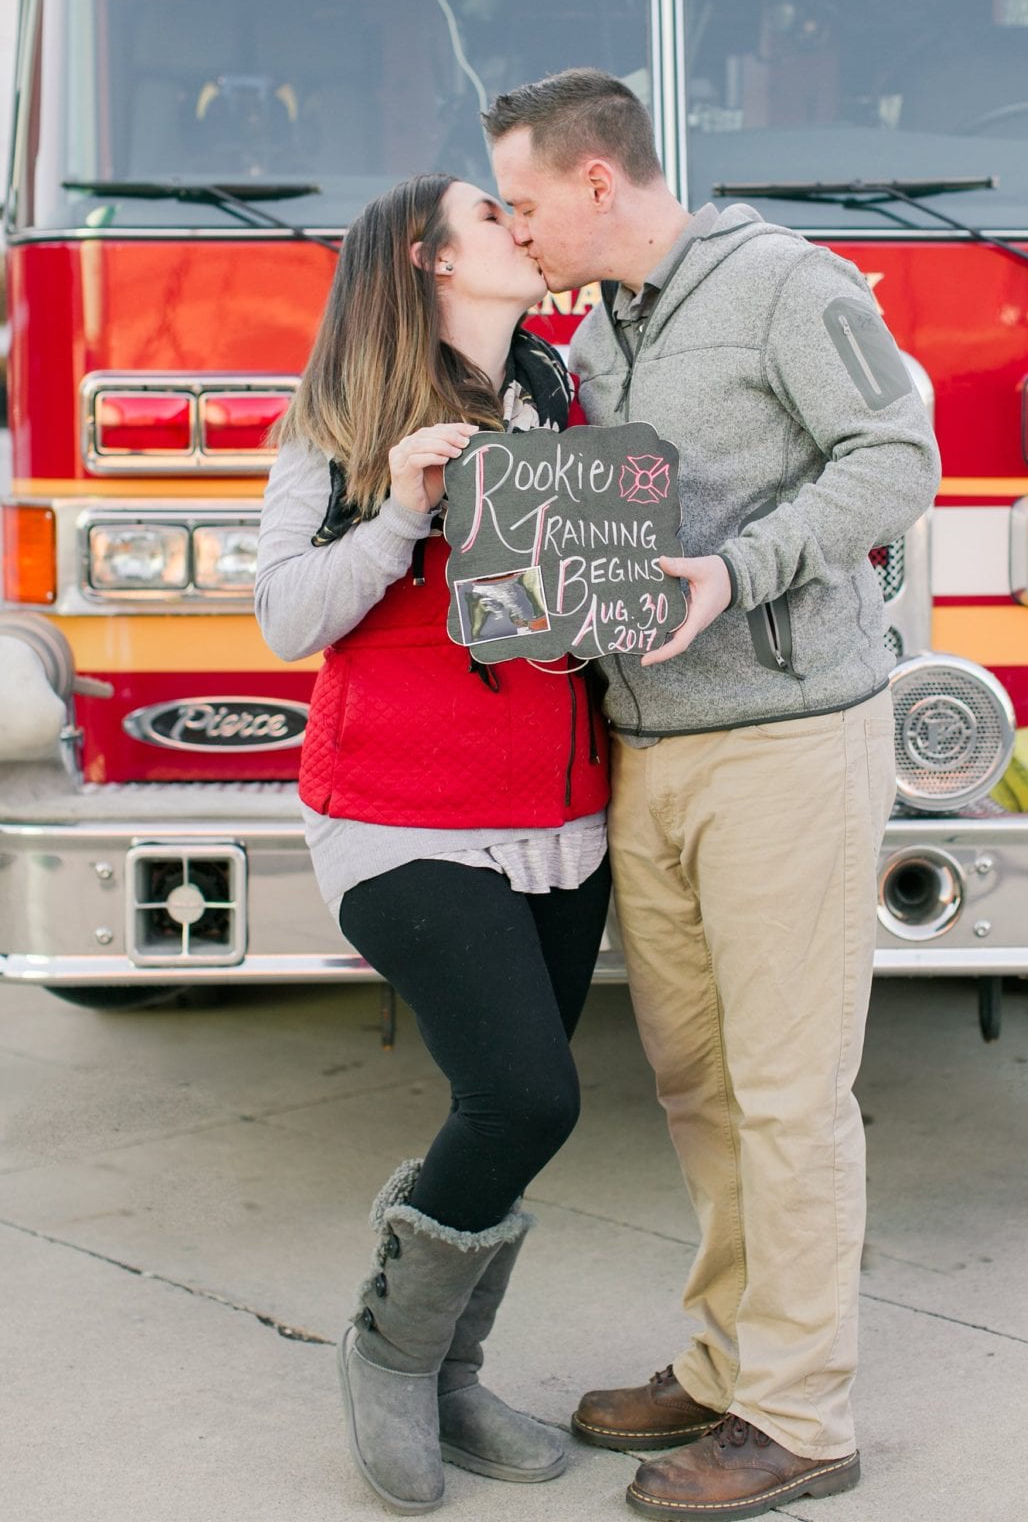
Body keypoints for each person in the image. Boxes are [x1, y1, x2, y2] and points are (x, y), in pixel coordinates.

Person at [486, 70, 942, 1519]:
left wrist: (737, 572)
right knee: (697, 1085)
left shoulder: (784, 286)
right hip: (655, 751)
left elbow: (899, 458)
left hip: (789, 746)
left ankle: (800, 1418)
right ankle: (728, 1359)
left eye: (525, 200)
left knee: (790, 1095)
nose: (516, 227)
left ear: (599, 182)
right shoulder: (598, 334)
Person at [254, 174, 610, 1513]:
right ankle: (390, 1357)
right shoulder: (333, 421)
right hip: (398, 820)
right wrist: (399, 502)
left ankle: (457, 1375)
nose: (523, 230)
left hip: (563, 815)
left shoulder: (568, 396)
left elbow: (568, 606)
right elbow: (289, 618)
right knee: (529, 1095)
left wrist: (595, 614)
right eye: (490, 214)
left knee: (511, 1120)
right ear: (426, 256)